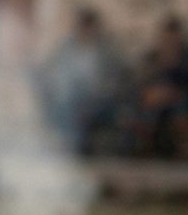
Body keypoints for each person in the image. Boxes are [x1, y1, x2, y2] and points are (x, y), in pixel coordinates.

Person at [37, 8, 127, 155]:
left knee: (78, 105)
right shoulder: (66, 48)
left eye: (89, 27)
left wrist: (102, 92)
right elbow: (51, 71)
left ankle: (73, 148)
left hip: (97, 98)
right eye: (83, 26)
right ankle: (72, 145)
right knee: (68, 101)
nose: (86, 31)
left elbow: (116, 77)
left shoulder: (107, 51)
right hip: (68, 96)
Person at [133, 14, 188, 159]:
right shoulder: (153, 56)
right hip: (158, 98)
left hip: (185, 97)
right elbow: (143, 79)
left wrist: (175, 71)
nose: (170, 40)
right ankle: (146, 146)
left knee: (183, 103)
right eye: (167, 36)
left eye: (174, 36)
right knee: (147, 103)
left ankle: (186, 149)